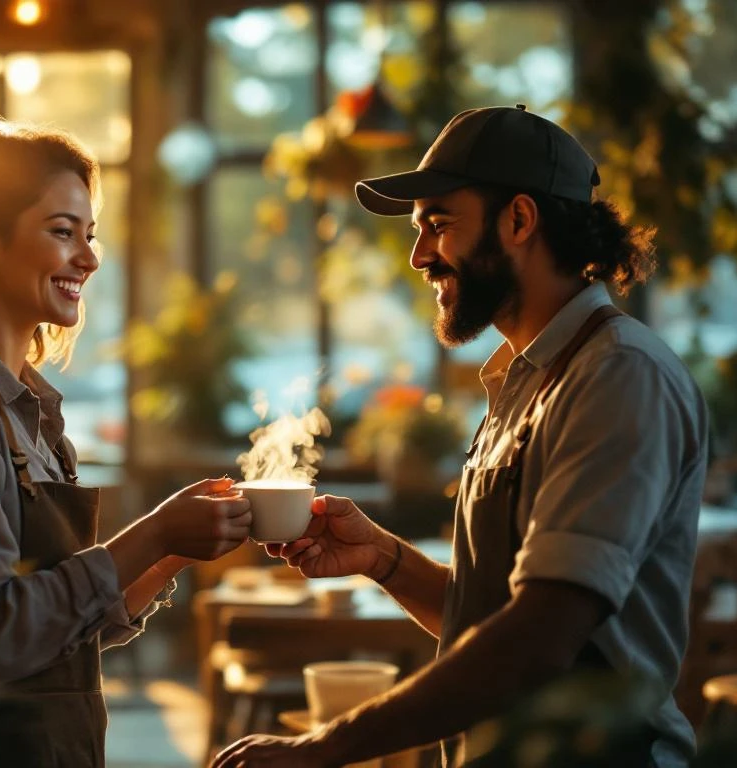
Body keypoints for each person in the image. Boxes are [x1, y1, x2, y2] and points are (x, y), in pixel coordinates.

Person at [212, 105, 708, 768]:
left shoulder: (618, 377)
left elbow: (541, 635)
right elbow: (496, 619)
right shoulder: (523, 379)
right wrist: (384, 559)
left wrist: (323, 747)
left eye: (438, 225)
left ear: (520, 220)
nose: (419, 257)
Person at [0, 124, 252, 767]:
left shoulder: (24, 403)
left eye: (89, 236)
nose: (89, 258)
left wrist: (170, 551)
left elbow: (60, 628)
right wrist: (148, 535)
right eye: (63, 232)